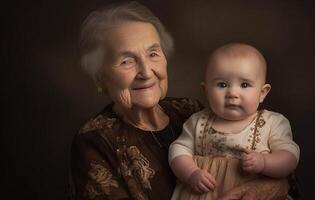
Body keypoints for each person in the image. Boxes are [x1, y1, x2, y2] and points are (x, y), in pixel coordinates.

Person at [69, 1, 292, 200]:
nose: (146, 72)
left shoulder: (189, 110)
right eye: (127, 61)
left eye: (153, 54)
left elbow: (285, 177)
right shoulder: (95, 142)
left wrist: (268, 186)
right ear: (101, 76)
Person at [169, 43, 300, 200]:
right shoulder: (197, 122)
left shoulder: (272, 123)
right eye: (222, 85)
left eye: (244, 84)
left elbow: (290, 156)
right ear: (206, 91)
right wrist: (191, 173)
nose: (232, 93)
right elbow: (178, 150)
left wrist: (265, 162)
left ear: (262, 93)